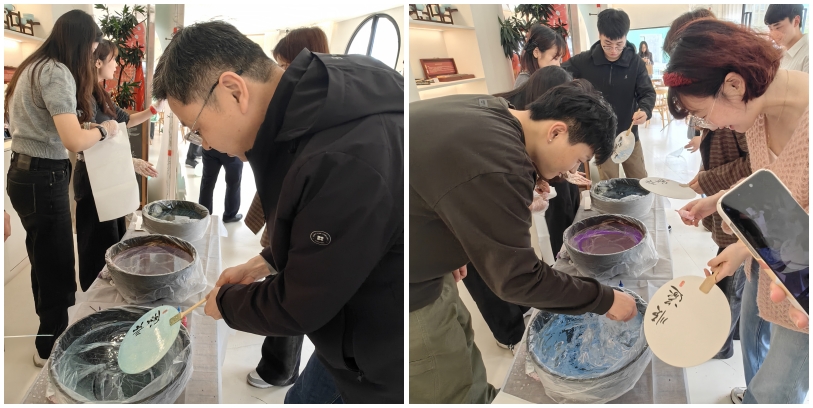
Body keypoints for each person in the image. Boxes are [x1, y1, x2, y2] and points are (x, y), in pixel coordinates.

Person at [153, 21, 404, 403]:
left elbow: (300, 304)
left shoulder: (342, 160)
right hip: (344, 330)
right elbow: (338, 234)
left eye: (197, 128)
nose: (205, 145)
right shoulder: (319, 91)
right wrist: (266, 261)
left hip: (380, 352)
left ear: (234, 90)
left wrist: (225, 305)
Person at [409, 80, 640, 403]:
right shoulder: (500, 164)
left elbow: (441, 184)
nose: (571, 170)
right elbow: (518, 278)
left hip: (421, 262)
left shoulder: (494, 111)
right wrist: (605, 299)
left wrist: (449, 243)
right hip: (397, 287)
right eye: (578, 159)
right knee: (447, 387)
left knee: (460, 352)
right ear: (556, 132)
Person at [665, 18, 808, 404]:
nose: (709, 126)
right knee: (754, 339)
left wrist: (744, 246)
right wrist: (730, 221)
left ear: (733, 84)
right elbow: (774, 190)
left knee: (778, 388)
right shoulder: (757, 117)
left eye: (703, 114)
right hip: (769, 264)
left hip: (799, 284)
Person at [4, 10, 118, 367]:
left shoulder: (32, 66)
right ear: (82, 43)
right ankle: (50, 347)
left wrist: (88, 129)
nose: (94, 55)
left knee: (42, 257)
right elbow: (73, 140)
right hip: (43, 177)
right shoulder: (56, 72)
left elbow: (54, 127)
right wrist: (104, 130)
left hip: (23, 175)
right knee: (56, 263)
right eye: (93, 48)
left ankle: (47, 332)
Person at [240, 26, 332, 391]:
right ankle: (280, 367)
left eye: (283, 64)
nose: (279, 73)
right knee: (281, 276)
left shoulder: (316, 109)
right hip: (290, 212)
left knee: (290, 288)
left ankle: (278, 369)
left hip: (301, 217)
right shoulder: (307, 100)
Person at [466, 66, 575, 353]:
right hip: (463, 212)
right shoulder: (500, 126)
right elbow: (492, 192)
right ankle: (509, 335)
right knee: (487, 270)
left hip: (477, 200)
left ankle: (521, 309)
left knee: (508, 261)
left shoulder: (520, 121)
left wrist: (536, 185)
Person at [74, 39, 159, 291]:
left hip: (109, 172)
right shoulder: (81, 96)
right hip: (91, 176)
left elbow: (125, 121)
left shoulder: (100, 93)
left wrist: (155, 109)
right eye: (112, 59)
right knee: (94, 239)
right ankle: (93, 294)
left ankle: (112, 286)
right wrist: (129, 160)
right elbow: (82, 139)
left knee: (113, 234)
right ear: (97, 62)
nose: (116, 65)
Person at [245, 26, 331, 248]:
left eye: (284, 65)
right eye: (280, 65)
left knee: (289, 243)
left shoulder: (318, 100)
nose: (282, 72)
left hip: (300, 184)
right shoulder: (303, 92)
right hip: (286, 178)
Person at [563, 8, 656, 180]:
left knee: (640, 181)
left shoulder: (635, 62)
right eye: (607, 43)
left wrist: (645, 109)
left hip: (629, 134)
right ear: (599, 35)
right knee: (609, 183)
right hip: (601, 137)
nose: (613, 50)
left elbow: (647, 92)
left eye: (619, 44)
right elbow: (559, 74)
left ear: (626, 37)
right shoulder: (585, 61)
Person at [513, 24, 566, 89]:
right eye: (555, 58)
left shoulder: (547, 79)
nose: (558, 65)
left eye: (560, 59)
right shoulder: (525, 84)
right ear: (536, 52)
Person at [198, 148, 243, 223]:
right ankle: (230, 215)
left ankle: (204, 215)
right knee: (233, 184)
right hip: (231, 149)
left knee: (207, 182)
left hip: (211, 147)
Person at [765, 4, 808, 73]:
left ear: (796, 21)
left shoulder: (807, 54)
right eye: (770, 29)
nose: (772, 35)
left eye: (778, 27)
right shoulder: (780, 52)